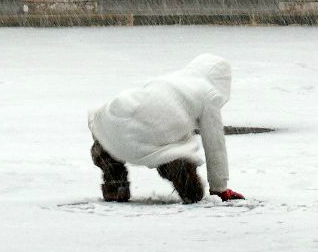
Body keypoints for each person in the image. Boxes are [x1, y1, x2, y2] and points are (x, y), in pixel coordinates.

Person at [87, 53, 244, 203]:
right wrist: (219, 187)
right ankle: (179, 170)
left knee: (115, 129)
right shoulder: (210, 94)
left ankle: (114, 179)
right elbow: (215, 145)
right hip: (152, 135)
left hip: (113, 125)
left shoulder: (169, 79)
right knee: (181, 159)